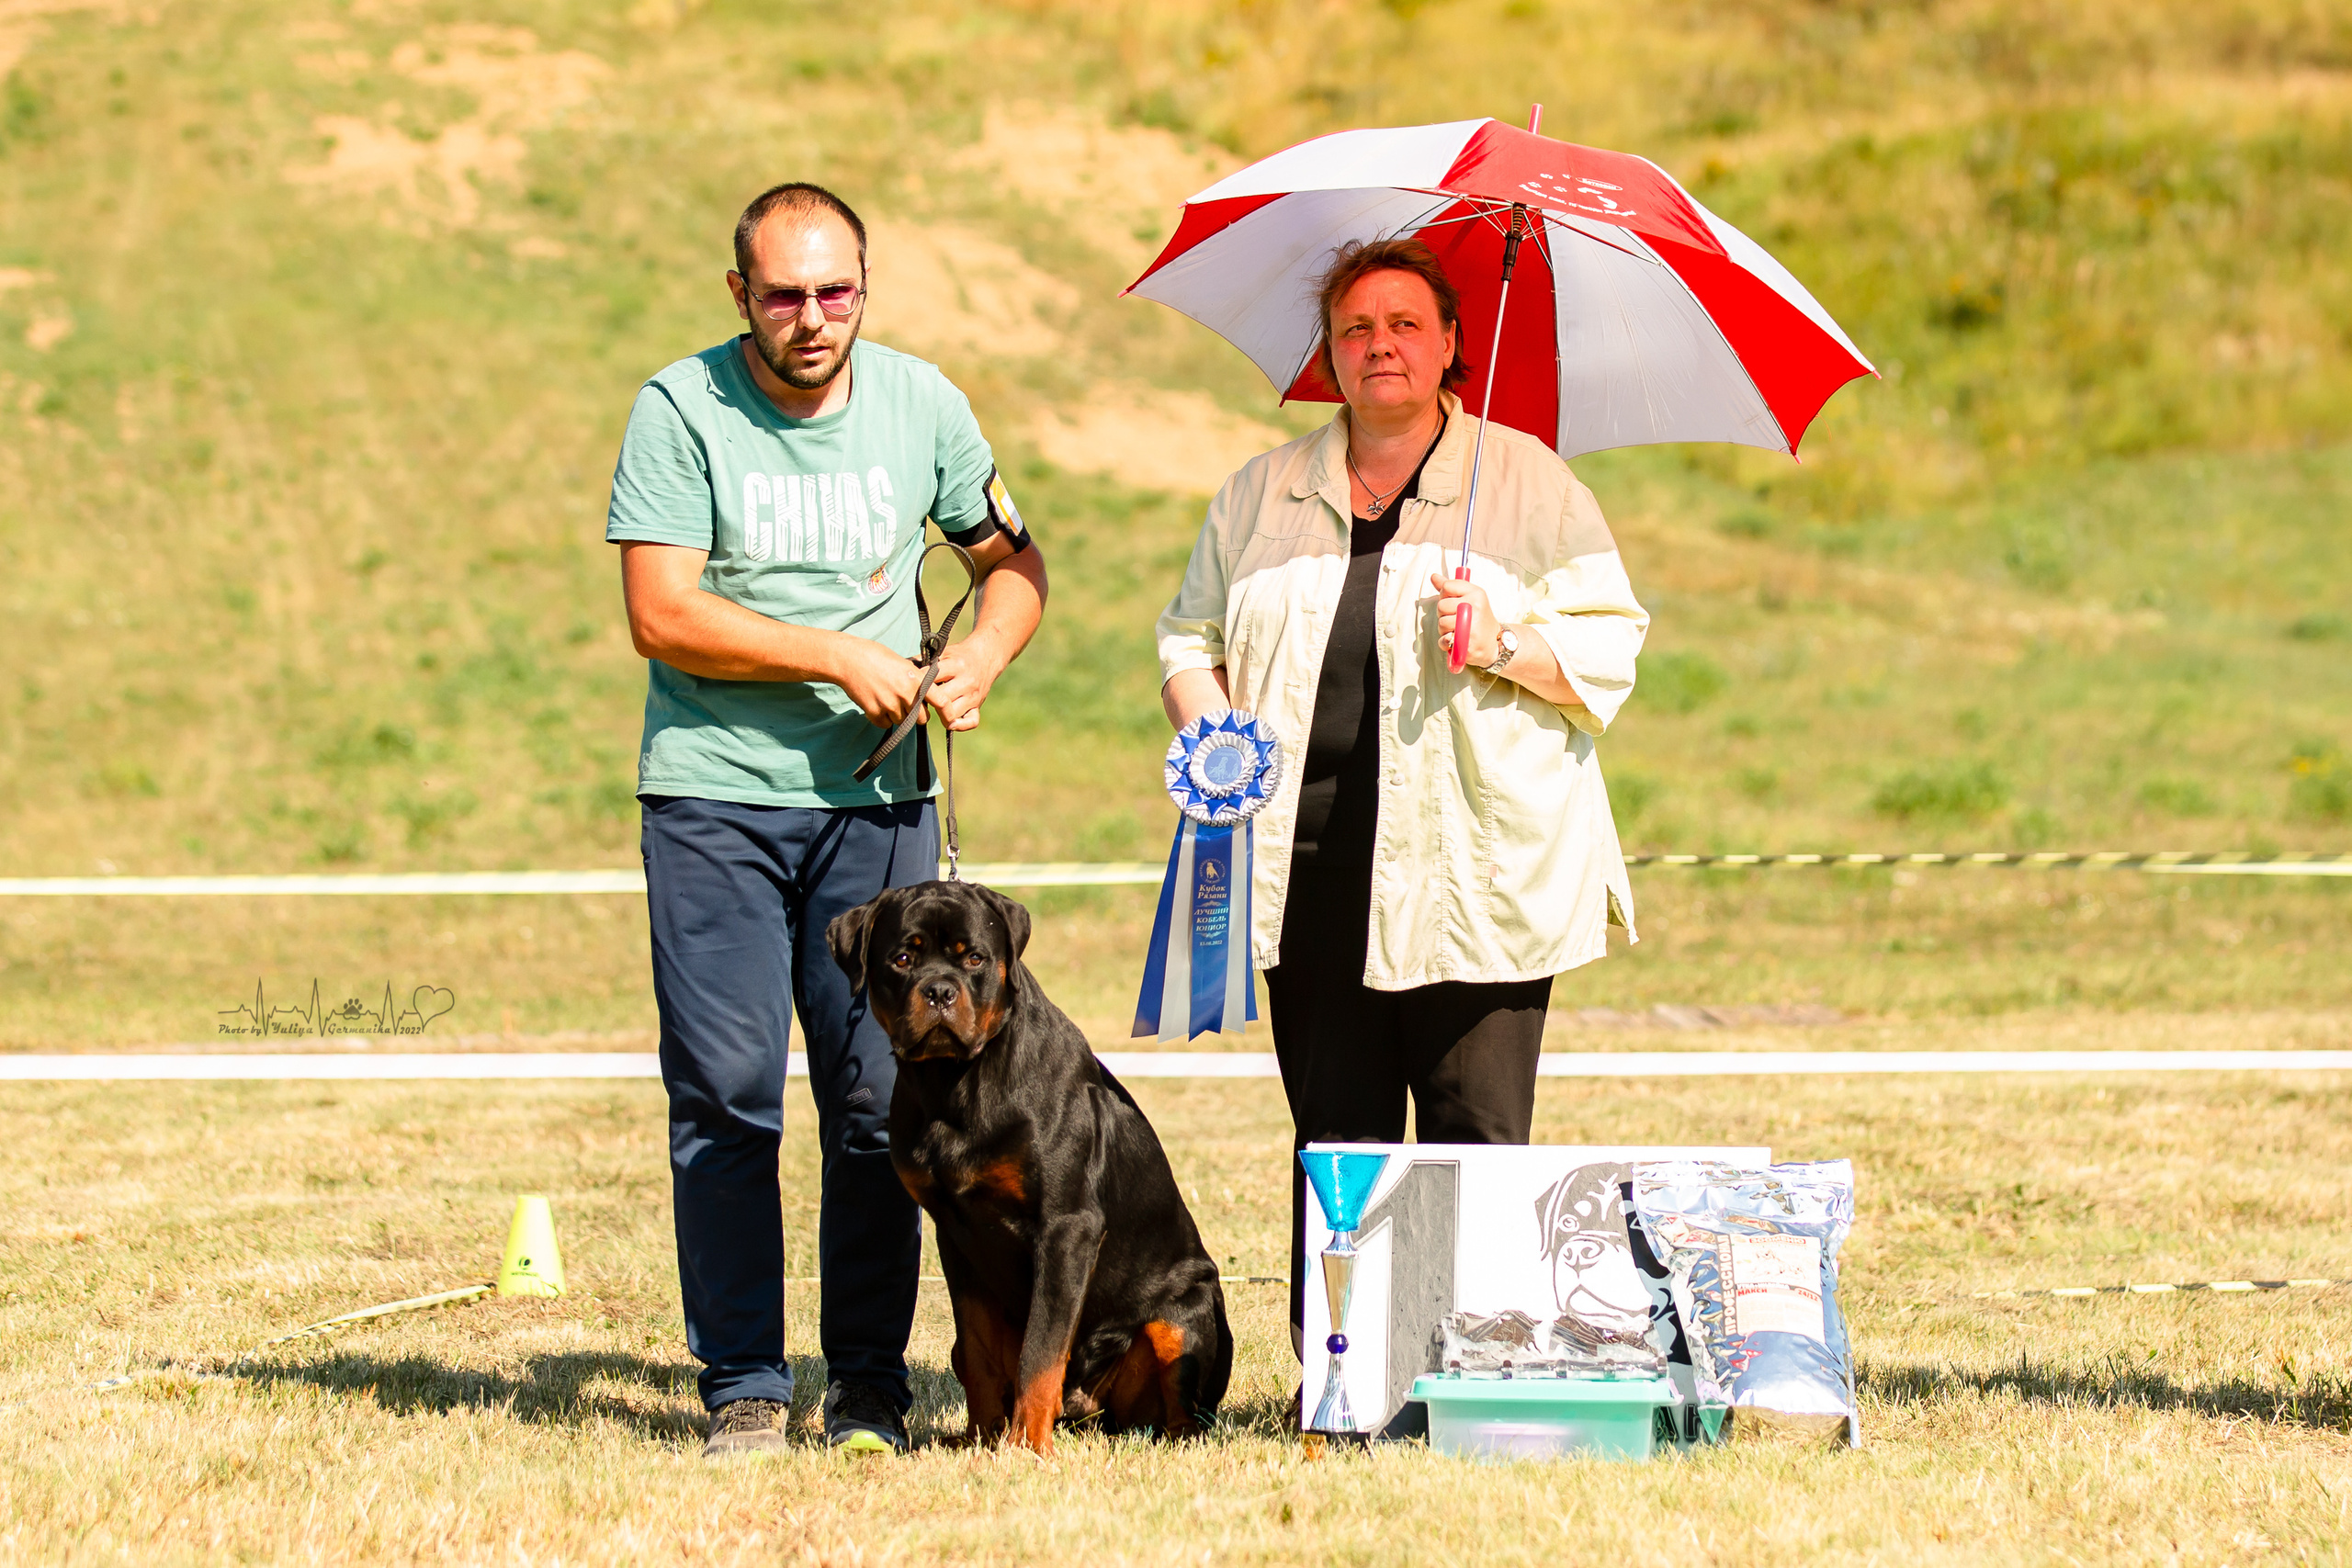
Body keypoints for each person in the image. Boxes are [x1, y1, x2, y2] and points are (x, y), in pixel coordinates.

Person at [607, 182, 1048, 1457]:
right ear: (739, 292)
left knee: (878, 1103)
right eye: (785, 292)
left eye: (836, 289)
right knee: (730, 1091)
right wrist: (829, 654)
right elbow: (660, 610)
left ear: (867, 284)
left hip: (877, 806)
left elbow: (1011, 562)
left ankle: (866, 1382)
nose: (813, 316)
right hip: (715, 795)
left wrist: (983, 654)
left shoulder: (925, 404)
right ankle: (744, 1380)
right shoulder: (679, 408)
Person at [1153, 237, 1647, 1367]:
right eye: (1357, 327)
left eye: (1406, 324)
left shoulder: (1531, 484)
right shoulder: (1259, 491)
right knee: (1337, 1140)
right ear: (1327, 350)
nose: (1381, 345)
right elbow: (1189, 632)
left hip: (1479, 880)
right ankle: (1345, 1382)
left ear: (1452, 343)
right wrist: (1208, 722)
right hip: (1308, 870)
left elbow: (1610, 649)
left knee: (1475, 1137)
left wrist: (1507, 640)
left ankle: (1475, 1368)